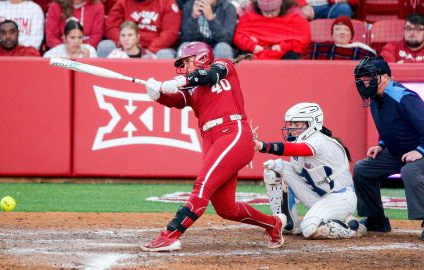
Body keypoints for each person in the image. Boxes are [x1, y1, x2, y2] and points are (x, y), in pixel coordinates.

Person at [141, 41, 287, 252]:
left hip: (233, 132)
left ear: (201, 57)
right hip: (211, 139)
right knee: (226, 208)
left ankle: (170, 235)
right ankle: (274, 224)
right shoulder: (192, 88)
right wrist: (157, 94)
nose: (185, 66)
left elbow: (209, 76)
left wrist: (179, 80)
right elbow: (177, 99)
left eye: (188, 61)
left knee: (202, 187)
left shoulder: (223, 65)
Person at [353, 56, 424, 241]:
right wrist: (381, 145)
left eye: (368, 77)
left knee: (410, 170)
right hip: (399, 151)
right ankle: (377, 219)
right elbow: (391, 127)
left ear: (384, 77)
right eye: (362, 79)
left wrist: (420, 151)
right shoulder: (376, 97)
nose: (364, 82)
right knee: (362, 168)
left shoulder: (404, 97)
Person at [253, 102, 366, 239]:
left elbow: (298, 149)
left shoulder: (318, 140)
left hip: (340, 198)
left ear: (312, 123)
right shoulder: (301, 140)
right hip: (319, 195)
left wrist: (262, 146)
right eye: (291, 124)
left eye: (297, 124)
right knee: (274, 167)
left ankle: (353, 228)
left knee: (309, 228)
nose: (292, 128)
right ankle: (288, 223)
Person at [100, 0, 181, 58]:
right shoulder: (123, 2)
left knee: (165, 54)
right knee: (106, 45)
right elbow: (110, 26)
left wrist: (148, 51)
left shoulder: (167, 3)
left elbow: (170, 33)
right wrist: (125, 41)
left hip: (155, 49)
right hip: (128, 45)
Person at [233, 0, 310, 60]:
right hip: (255, 49)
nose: (269, 15)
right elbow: (239, 36)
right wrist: (252, 46)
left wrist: (283, 46)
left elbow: (303, 38)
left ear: (280, 6)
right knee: (244, 57)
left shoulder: (294, 16)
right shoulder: (249, 15)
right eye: (265, 12)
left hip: (285, 52)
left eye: (273, 11)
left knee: (292, 57)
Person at [302, 16, 376, 60]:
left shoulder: (362, 51)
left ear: (351, 35)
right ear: (332, 34)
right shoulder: (318, 48)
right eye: (337, 29)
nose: (342, 32)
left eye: (346, 29)